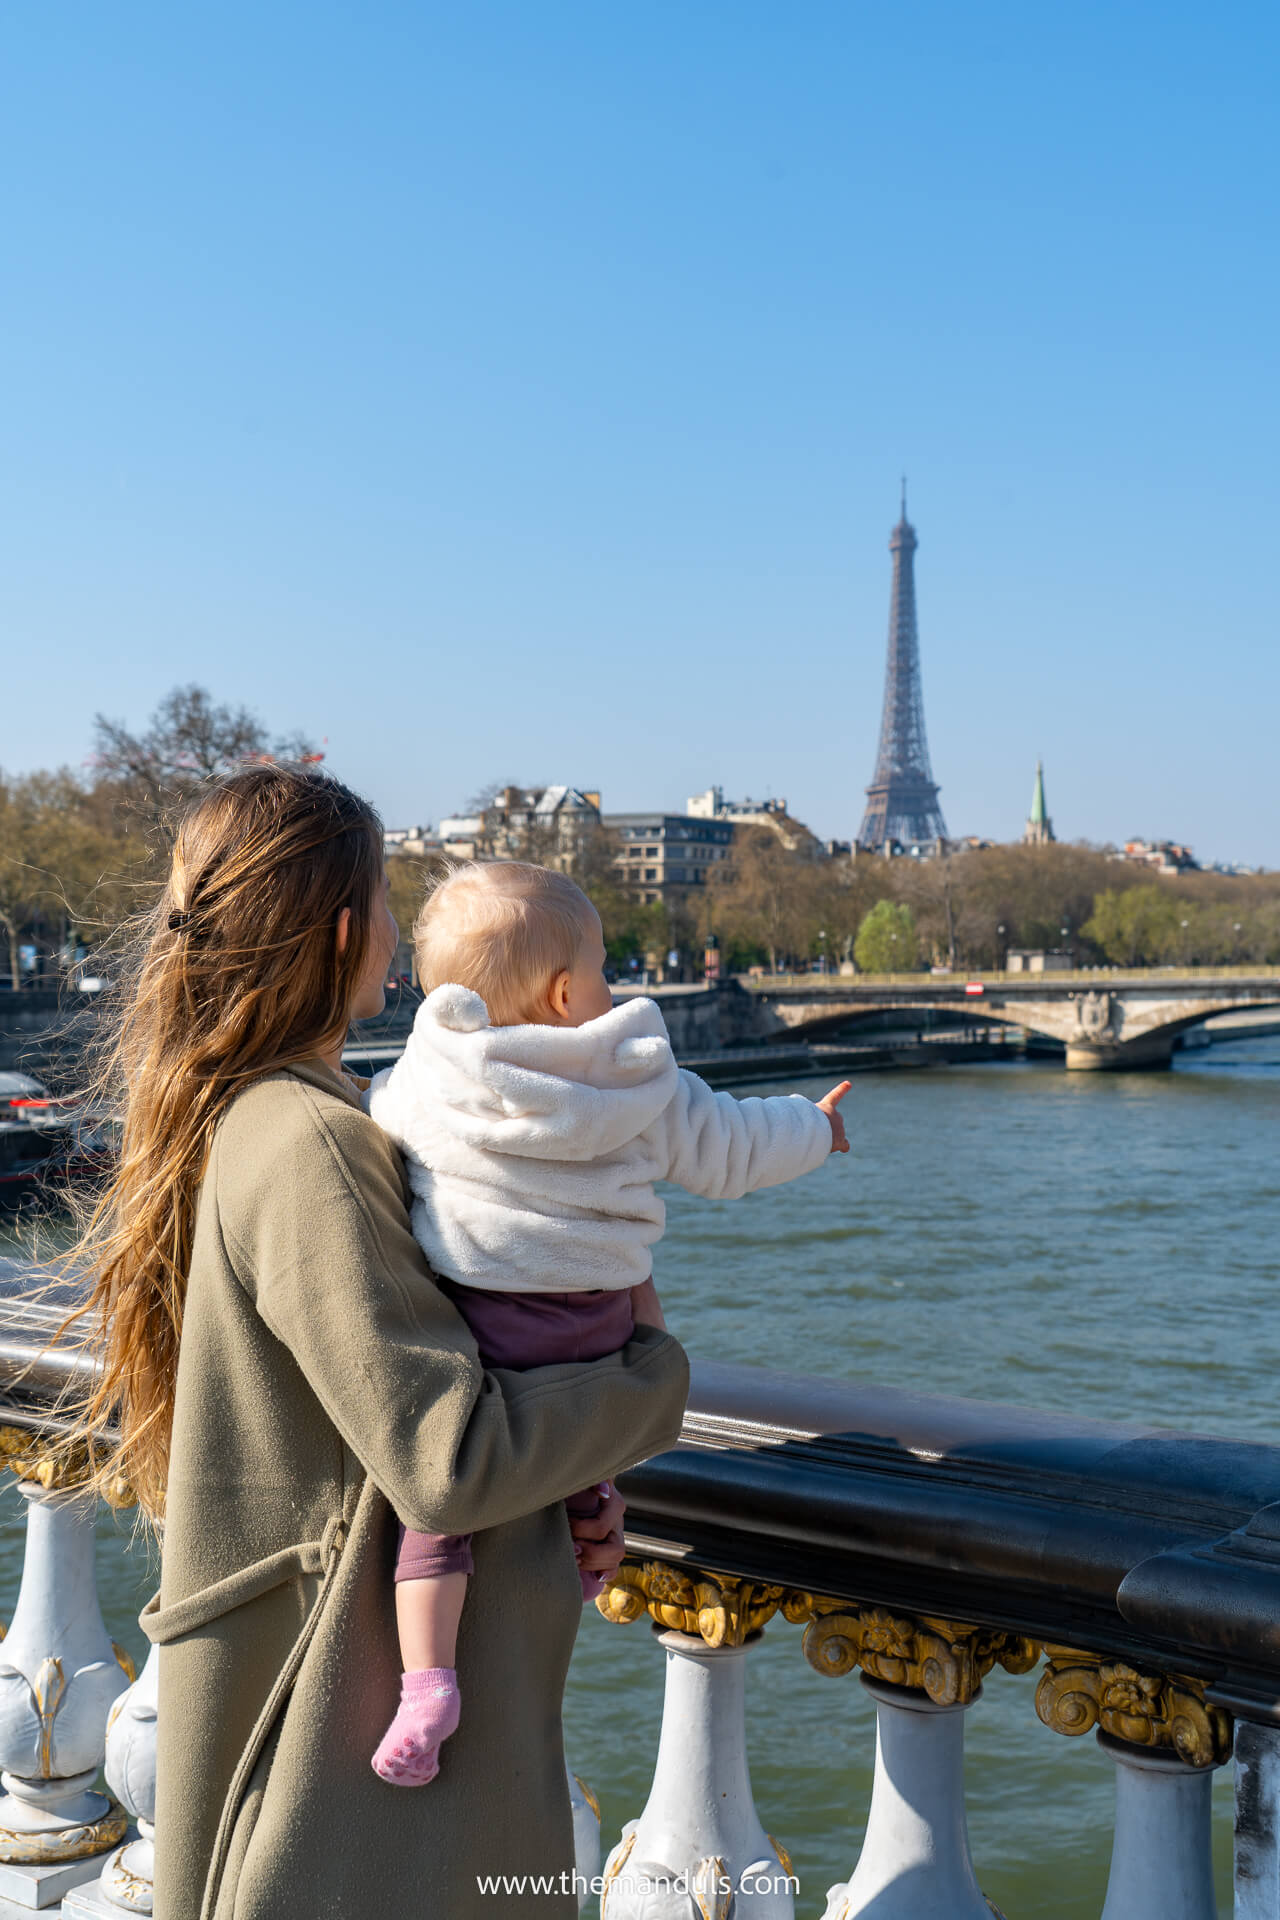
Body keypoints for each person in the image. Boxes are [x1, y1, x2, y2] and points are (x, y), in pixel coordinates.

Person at [62, 766, 689, 1920]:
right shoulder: (313, 1141)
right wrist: (650, 1384)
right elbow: (447, 1457)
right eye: (391, 899)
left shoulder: (247, 1109)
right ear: (349, 929)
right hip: (342, 1772)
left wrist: (563, 1492)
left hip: (302, 1712)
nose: (403, 932)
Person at [365, 860, 851, 1785]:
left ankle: (428, 1680)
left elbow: (378, 1124)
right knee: (585, 1443)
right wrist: (815, 1130)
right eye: (602, 969)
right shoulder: (635, 1076)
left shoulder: (431, 1075)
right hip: (600, 1325)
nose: (616, 988)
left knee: (431, 1513)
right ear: (563, 991)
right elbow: (732, 1148)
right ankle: (589, 1520)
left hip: (481, 1327)